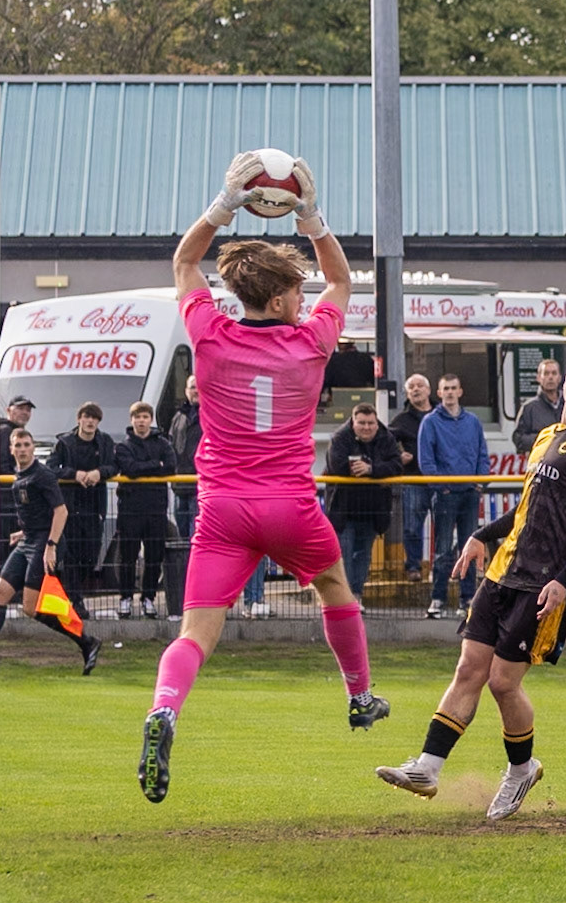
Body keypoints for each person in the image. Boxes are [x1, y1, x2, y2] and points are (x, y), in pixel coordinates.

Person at [140, 151, 387, 805]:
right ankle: (360, 696)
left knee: (195, 633)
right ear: (279, 299)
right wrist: (309, 214)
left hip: (221, 510)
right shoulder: (309, 342)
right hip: (289, 507)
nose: (306, 296)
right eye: (296, 292)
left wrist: (224, 203)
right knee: (335, 588)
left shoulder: (211, 336)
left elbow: (184, 263)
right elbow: (341, 281)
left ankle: (165, 710)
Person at [376, 342, 566, 820]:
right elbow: (526, 510)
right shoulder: (547, 433)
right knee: (470, 670)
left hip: (544, 583)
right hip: (503, 571)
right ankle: (427, 767)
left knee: (502, 682)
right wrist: (481, 535)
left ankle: (521, 769)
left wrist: (565, 578)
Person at [0, 428, 103, 673]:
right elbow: (38, 512)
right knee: (1, 592)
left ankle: (86, 641)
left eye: (26, 444)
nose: (22, 449)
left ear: (33, 447)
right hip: (29, 540)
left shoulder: (42, 474)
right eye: (18, 445)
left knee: (30, 607)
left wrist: (51, 547)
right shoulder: (19, 475)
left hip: (44, 543)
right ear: (11, 449)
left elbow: (61, 511)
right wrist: (23, 533)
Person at [419, 373, 490, 618]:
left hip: (470, 493)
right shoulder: (430, 422)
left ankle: (467, 599)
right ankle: (438, 599)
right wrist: (442, 487)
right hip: (446, 496)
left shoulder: (473, 422)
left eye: (453, 388)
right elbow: (426, 461)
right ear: (439, 393)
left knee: (469, 547)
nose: (449, 392)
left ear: (460, 392)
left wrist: (481, 483)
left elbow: (482, 453)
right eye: (445, 389)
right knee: (442, 550)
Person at [324, 402, 403, 599]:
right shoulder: (340, 437)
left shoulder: (387, 437)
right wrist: (356, 470)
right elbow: (336, 465)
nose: (367, 427)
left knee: (364, 555)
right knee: (345, 556)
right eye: (362, 423)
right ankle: (345, 598)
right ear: (353, 422)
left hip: (373, 510)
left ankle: (356, 595)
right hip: (344, 510)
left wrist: (371, 469)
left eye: (370, 423)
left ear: (377, 423)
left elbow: (397, 464)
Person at [48, 402, 118, 617]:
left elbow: (114, 466)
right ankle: (74, 602)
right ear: (79, 419)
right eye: (87, 417)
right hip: (69, 508)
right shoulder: (64, 442)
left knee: (91, 555)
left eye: (95, 418)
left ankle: (75, 597)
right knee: (71, 557)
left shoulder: (105, 441)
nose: (90, 422)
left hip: (94, 507)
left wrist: (99, 472)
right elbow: (52, 467)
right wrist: (74, 474)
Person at [114, 401, 178, 619]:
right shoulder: (123, 446)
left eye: (145, 417)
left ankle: (148, 598)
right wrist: (155, 465)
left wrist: (148, 467)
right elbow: (129, 469)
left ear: (151, 420)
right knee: (127, 557)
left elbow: (170, 465)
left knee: (154, 556)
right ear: (131, 420)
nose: (141, 421)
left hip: (156, 509)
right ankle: (125, 599)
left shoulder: (163, 443)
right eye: (137, 417)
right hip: (130, 510)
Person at [388, 373, 434, 580]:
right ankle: (413, 566)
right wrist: (398, 457)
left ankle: (443, 567)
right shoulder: (401, 420)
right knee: (412, 527)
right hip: (414, 479)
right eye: (411, 387)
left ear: (429, 390)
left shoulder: (441, 415)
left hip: (442, 479)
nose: (416, 390)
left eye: (419, 386)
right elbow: (385, 443)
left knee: (443, 527)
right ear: (407, 394)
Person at [0, 395, 34, 570]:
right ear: (9, 410)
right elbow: (3, 465)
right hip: (6, 502)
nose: (25, 413)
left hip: (10, 501)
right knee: (8, 548)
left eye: (28, 409)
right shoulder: (6, 431)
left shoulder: (8, 431)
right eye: (20, 408)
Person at [169, 374, 203, 539]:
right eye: (192, 387)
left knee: (195, 535)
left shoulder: (210, 415)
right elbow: (171, 445)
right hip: (179, 485)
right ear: (186, 391)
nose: (195, 391)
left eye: (198, 387)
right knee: (183, 535)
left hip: (200, 485)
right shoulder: (178, 417)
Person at [512, 357, 564, 454]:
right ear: (539, 378)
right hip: (539, 462)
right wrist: (544, 439)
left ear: (560, 378)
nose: (550, 377)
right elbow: (518, 439)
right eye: (546, 373)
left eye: (554, 373)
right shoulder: (529, 408)